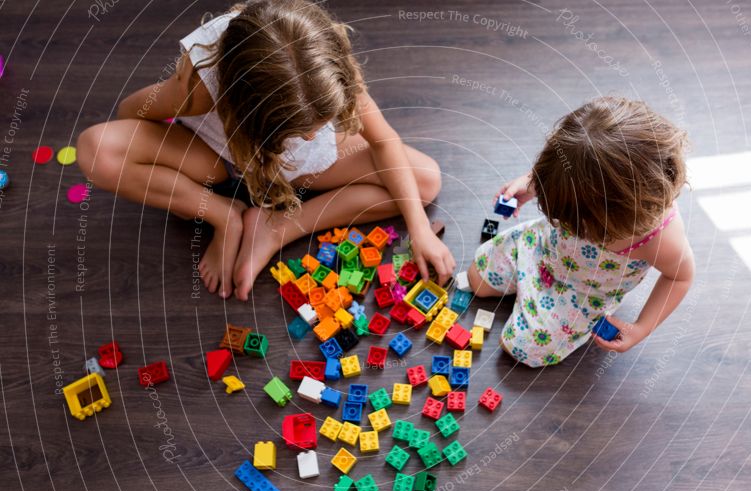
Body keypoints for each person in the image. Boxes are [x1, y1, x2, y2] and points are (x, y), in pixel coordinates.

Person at [77, 0, 454, 300]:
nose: (309, 137)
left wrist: (418, 229)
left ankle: (275, 228)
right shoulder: (204, 84)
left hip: (299, 171)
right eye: (295, 129)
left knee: (423, 181)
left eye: (319, 124)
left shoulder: (322, 62)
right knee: (96, 150)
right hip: (217, 159)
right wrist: (190, 189)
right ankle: (227, 214)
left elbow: (383, 140)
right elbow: (133, 114)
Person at [468, 97, 694, 366]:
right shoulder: (579, 176)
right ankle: (527, 292)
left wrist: (642, 327)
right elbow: (565, 174)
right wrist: (530, 184)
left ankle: (539, 308)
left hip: (581, 292)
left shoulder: (660, 238)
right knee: (476, 281)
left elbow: (680, 278)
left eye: (575, 221)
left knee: (520, 348)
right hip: (542, 247)